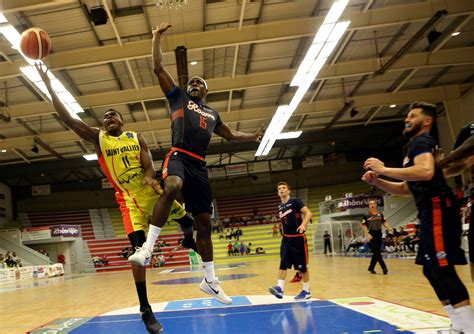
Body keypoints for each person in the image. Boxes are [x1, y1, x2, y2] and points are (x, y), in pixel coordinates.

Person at [35, 64, 200, 334]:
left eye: (114, 115)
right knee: (138, 256)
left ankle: (187, 235)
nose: (109, 118)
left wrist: (149, 175)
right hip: (128, 201)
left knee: (188, 220)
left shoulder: (137, 138)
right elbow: (68, 119)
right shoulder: (99, 139)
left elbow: (148, 165)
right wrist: (48, 85)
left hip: (151, 193)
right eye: (105, 117)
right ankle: (146, 309)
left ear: (122, 122)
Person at [127, 22, 263, 305]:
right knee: (172, 186)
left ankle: (210, 281)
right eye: (192, 82)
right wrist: (155, 38)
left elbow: (231, 134)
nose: (194, 84)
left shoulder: (213, 114)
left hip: (200, 166)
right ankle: (147, 248)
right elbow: (157, 68)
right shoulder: (177, 97)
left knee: (204, 223)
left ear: (206, 90)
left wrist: (252, 135)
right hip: (178, 156)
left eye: (199, 83)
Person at [362, 102, 473, 333]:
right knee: (429, 269)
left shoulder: (421, 141)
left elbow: (426, 171)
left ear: (426, 121)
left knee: (442, 267)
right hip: (428, 211)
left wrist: (383, 169)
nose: (407, 119)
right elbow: (406, 188)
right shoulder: (411, 149)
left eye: (412, 116)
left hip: (438, 207)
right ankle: (460, 324)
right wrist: (378, 181)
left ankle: (470, 326)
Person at [438, 121, 473, 275]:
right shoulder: (468, 128)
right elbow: (458, 163)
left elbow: (469, 146)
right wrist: (433, 173)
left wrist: (438, 165)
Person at [269, 182, 313, 300]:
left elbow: (308, 213)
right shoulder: (280, 207)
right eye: (279, 189)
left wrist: (303, 225)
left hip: (298, 239)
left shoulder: (295, 201)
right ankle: (280, 288)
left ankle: (306, 290)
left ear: (289, 191)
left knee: (301, 267)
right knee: (283, 264)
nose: (281, 190)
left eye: (284, 188)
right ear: (278, 193)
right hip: (286, 239)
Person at [360, 199, 392, 274]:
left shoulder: (380, 214)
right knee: (377, 252)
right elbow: (363, 225)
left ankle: (371, 268)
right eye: (370, 204)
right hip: (371, 233)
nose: (372, 205)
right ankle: (384, 268)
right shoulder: (366, 215)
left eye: (373, 203)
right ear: (369, 206)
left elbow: (384, 222)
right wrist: (367, 234)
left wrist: (389, 227)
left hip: (379, 233)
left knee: (376, 252)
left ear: (376, 205)